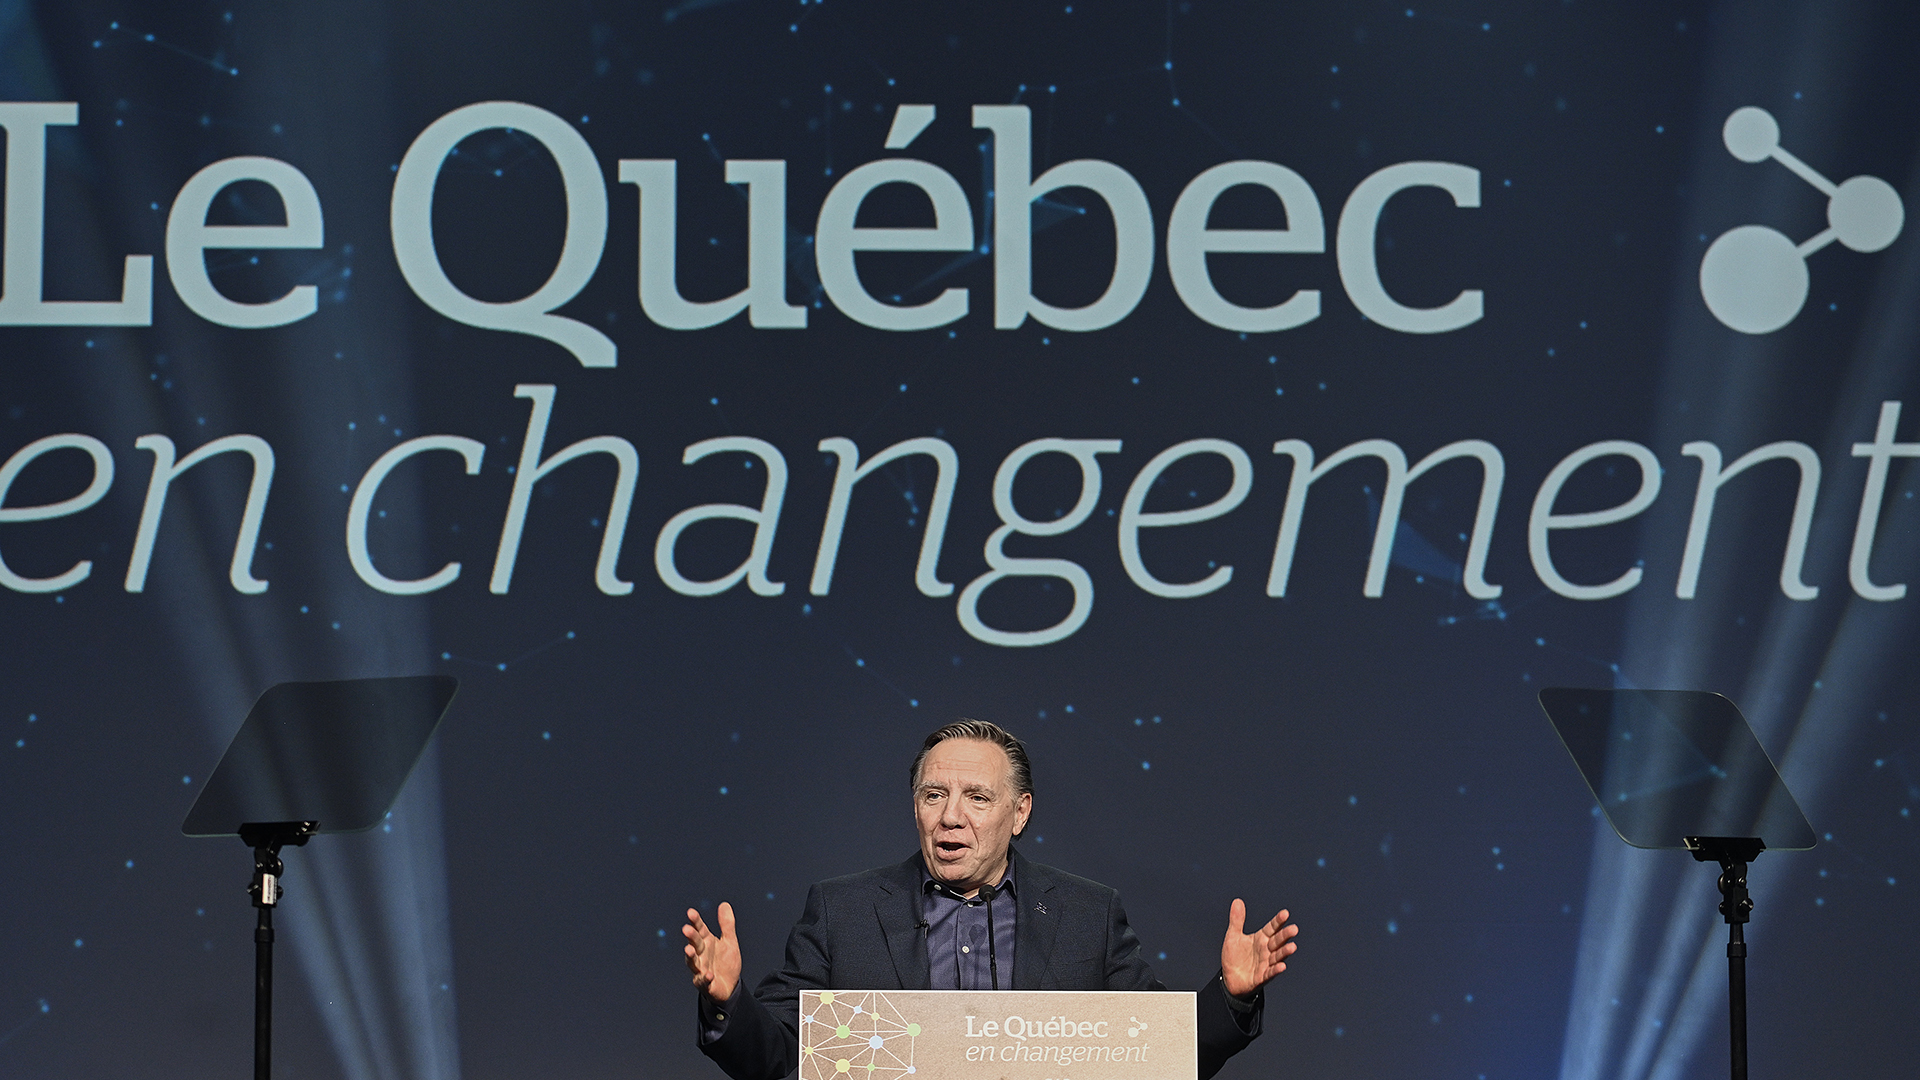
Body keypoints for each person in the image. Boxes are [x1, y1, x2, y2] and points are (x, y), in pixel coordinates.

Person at [682, 719, 1300, 1080]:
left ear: (1019, 812)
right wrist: (725, 1001)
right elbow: (780, 1058)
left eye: (976, 797)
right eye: (933, 795)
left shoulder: (1087, 915)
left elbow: (1153, 1053)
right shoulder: (843, 911)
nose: (951, 816)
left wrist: (1230, 997)